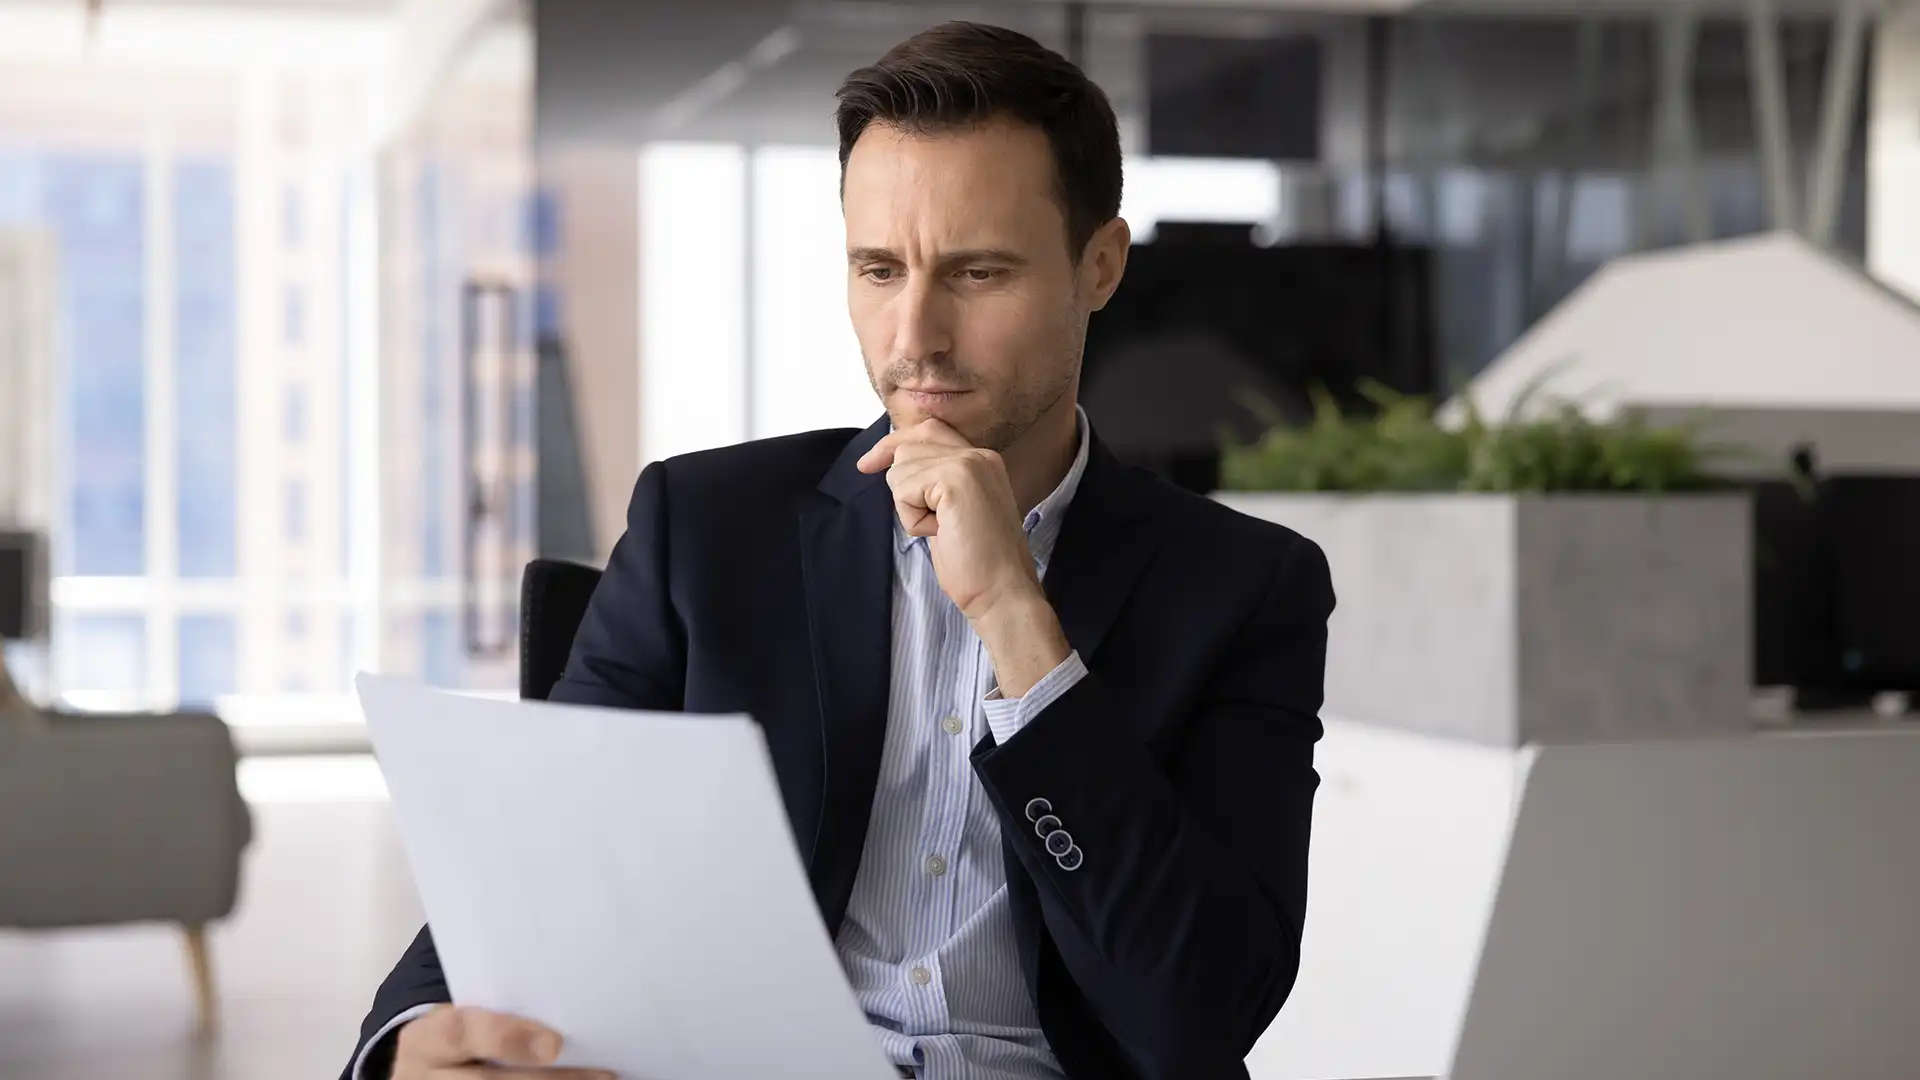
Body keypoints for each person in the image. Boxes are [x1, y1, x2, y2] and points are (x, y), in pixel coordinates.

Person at [343, 20, 1333, 1080]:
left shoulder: (1244, 588)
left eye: (978, 273)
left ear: (1099, 265)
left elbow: (1198, 1012)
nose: (914, 336)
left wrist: (1016, 620)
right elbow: (542, 862)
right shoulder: (706, 528)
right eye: (878, 267)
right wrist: (406, 1041)